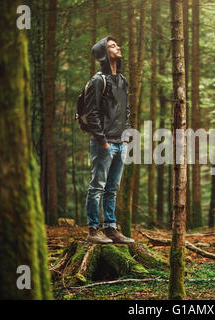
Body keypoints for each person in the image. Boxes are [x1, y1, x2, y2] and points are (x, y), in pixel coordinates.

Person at [84, 35, 134, 244]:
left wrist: (126, 137)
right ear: (104, 53)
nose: (118, 47)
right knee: (97, 187)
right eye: (113, 46)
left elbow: (126, 111)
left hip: (120, 143)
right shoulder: (98, 81)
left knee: (112, 188)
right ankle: (93, 230)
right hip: (103, 143)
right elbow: (92, 112)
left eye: (117, 45)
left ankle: (111, 228)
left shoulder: (121, 80)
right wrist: (103, 140)